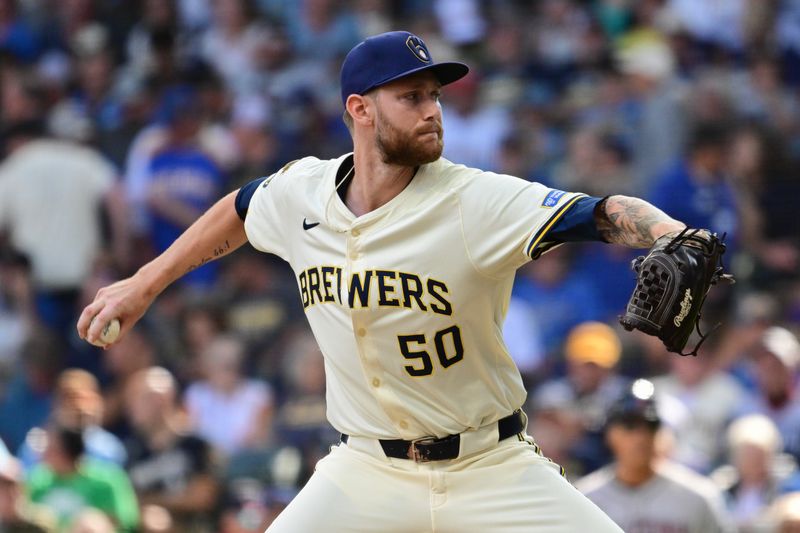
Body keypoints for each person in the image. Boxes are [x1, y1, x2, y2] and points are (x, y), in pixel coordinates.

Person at [80, 30, 698, 532]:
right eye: (411, 97)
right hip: (366, 469)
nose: (431, 110)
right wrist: (145, 282)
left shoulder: (474, 201)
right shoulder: (303, 192)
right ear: (360, 109)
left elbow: (598, 213)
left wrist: (672, 233)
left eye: (435, 95)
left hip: (491, 464)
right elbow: (242, 208)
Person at [576, 379, 734, 532]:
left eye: (651, 425)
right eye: (630, 425)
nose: (641, 437)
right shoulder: (584, 499)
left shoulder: (698, 498)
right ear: (610, 433)